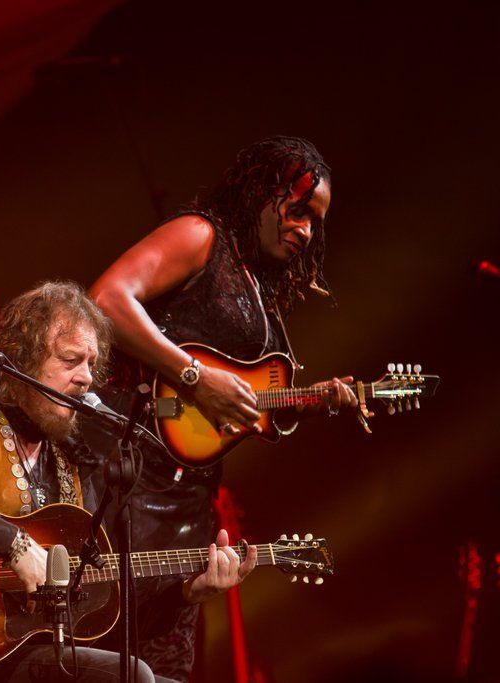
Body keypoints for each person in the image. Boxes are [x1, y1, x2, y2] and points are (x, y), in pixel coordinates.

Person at [0, 281, 255, 682]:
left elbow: (101, 618)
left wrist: (187, 592)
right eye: (71, 360)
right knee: (135, 677)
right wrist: (13, 543)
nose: (86, 378)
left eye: (91, 364)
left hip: (31, 652)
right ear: (23, 360)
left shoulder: (70, 461)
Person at [87, 136, 358, 680]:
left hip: (189, 503)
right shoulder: (200, 236)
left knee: (165, 666)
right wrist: (193, 375)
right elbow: (107, 299)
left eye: (316, 222)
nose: (307, 231)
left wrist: (306, 402)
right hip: (125, 479)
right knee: (102, 650)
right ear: (261, 194)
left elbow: (238, 401)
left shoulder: (257, 283)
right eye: (299, 210)